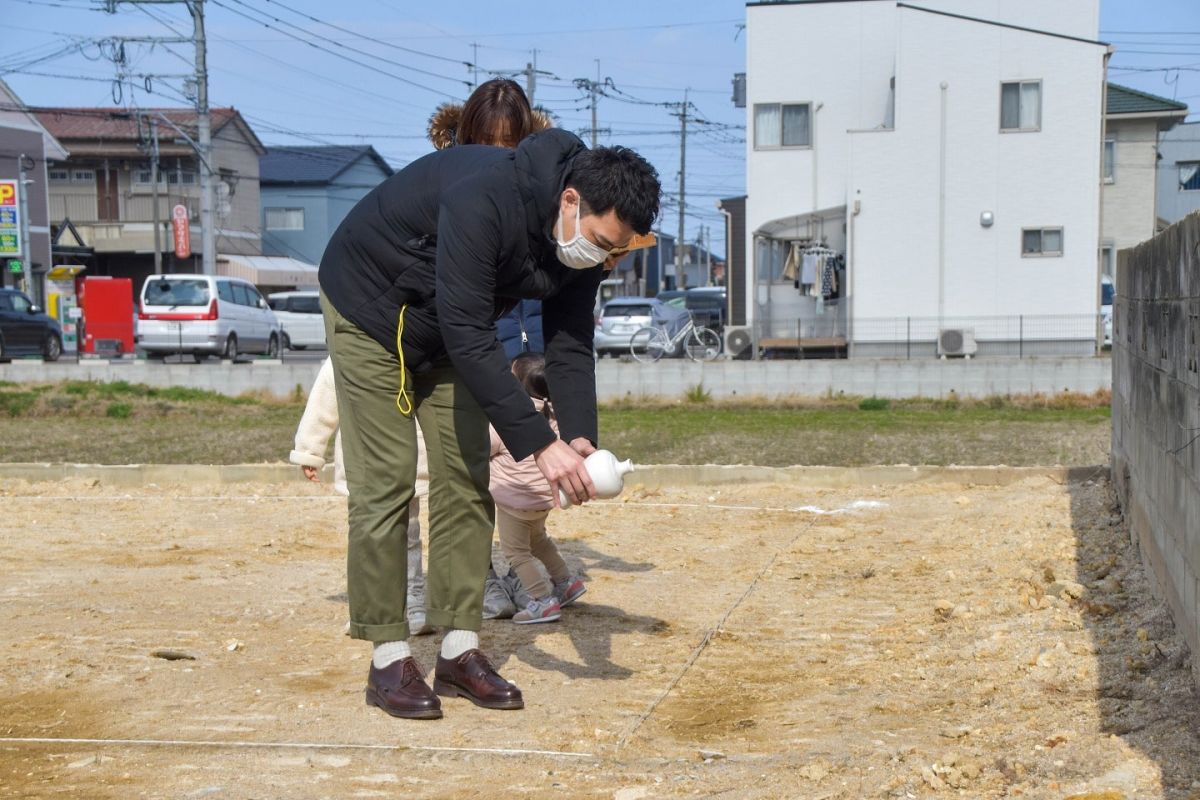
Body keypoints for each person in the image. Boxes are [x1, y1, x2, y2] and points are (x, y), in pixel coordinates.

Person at [319, 76, 660, 719]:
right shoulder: (486, 198)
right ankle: (388, 659)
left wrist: (578, 436)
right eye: (604, 241)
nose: (606, 256)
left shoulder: (578, 248)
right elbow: (472, 336)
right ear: (569, 200)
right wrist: (540, 447)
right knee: (388, 482)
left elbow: (569, 343)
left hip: (449, 324)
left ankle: (457, 648)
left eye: (617, 250)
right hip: (372, 311)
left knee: (465, 478)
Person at [288, 357, 433, 634]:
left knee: (408, 534)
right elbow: (323, 404)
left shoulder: (412, 346)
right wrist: (310, 450)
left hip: (409, 460)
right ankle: (371, 608)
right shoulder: (344, 355)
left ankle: (412, 602)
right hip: (364, 460)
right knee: (368, 535)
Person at [489, 352, 586, 624]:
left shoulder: (509, 421)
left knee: (516, 553)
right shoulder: (556, 417)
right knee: (539, 542)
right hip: (542, 501)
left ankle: (542, 600)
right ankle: (566, 582)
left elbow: (483, 447)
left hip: (514, 504)